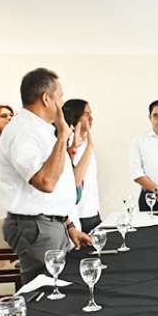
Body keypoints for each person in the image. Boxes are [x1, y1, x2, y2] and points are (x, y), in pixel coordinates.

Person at [0, 68, 91, 283]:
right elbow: (46, 183)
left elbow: (52, 194)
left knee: (57, 291)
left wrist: (69, 225)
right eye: (60, 96)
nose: (62, 102)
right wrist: (63, 137)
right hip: (37, 229)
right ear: (47, 98)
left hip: (51, 226)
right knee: (45, 296)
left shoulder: (40, 129)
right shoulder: (23, 132)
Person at [62, 99, 102, 232]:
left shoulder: (84, 143)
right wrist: (89, 147)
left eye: (91, 113)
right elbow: (75, 181)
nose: (91, 117)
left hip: (92, 212)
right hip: (78, 217)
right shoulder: (69, 143)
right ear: (75, 115)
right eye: (86, 114)